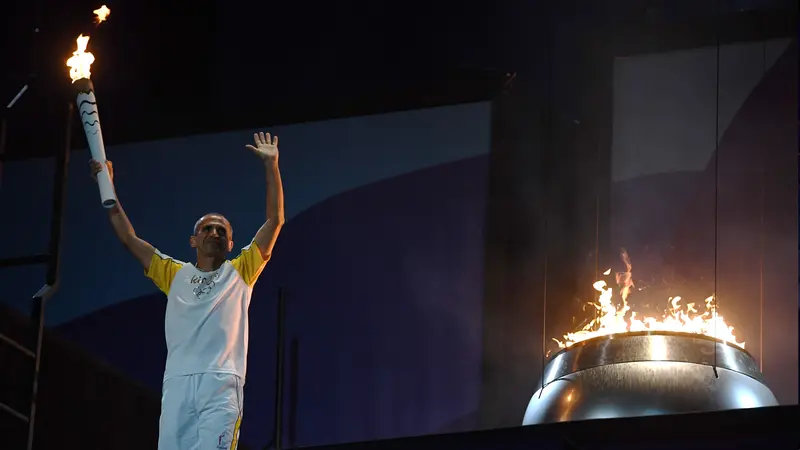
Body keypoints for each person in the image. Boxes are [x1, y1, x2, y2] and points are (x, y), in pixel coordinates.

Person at [90, 132, 285, 450]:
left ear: (231, 244)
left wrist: (271, 166)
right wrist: (106, 184)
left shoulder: (241, 271)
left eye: (222, 230)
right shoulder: (173, 273)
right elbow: (128, 237)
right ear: (193, 240)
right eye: (207, 228)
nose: (215, 232)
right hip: (178, 385)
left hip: (221, 384)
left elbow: (275, 220)